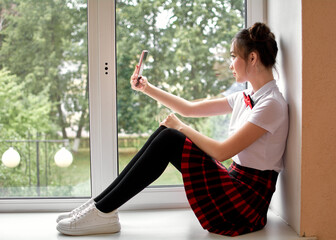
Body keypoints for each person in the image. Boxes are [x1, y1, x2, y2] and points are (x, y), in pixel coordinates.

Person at [56, 22, 288, 237]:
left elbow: (222, 152)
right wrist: (147, 88)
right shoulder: (246, 97)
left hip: (245, 204)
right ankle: (101, 206)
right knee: (167, 133)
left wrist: (181, 127)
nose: (230, 64)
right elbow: (188, 108)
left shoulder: (271, 104)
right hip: (234, 184)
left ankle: (103, 210)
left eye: (234, 57)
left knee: (171, 137)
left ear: (253, 58)